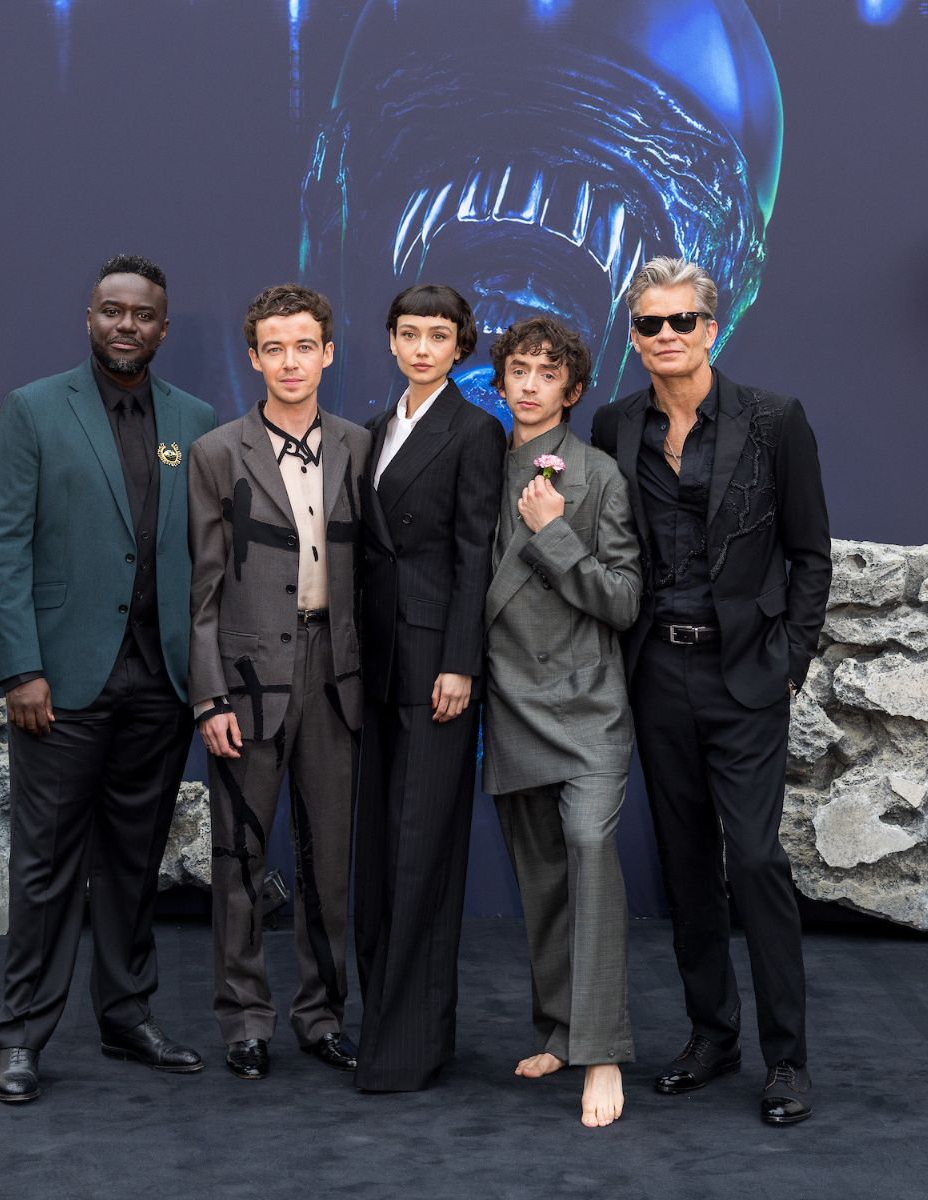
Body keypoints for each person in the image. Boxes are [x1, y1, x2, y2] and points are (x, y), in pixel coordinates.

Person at [590, 256, 832, 1126]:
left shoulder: (774, 419)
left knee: (756, 862)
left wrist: (790, 659)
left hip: (746, 673)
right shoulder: (615, 424)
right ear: (634, 337)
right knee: (685, 863)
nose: (666, 336)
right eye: (649, 324)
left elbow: (810, 553)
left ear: (711, 329)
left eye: (681, 321)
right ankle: (711, 1035)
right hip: (657, 671)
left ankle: (787, 1059)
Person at [0, 253, 218, 1103]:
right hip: (60, 684)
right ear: (89, 318)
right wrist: (21, 668)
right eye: (112, 310)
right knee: (46, 868)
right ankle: (21, 1037)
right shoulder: (34, 409)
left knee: (133, 863)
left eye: (143, 314)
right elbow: (3, 547)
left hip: (160, 685)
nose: (126, 325)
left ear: (163, 328)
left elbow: (206, 558)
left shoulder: (195, 420)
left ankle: (126, 1018)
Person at [187, 284, 369, 1082]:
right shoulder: (217, 452)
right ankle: (245, 1020)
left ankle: (322, 1016)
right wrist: (208, 695)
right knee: (239, 857)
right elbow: (201, 588)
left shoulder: (361, 446)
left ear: (327, 353)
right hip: (247, 675)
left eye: (304, 347)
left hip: (337, 672)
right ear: (254, 358)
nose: (290, 362)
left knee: (330, 860)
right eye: (273, 349)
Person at [480, 316, 642, 1128]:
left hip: (587, 706)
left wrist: (554, 534)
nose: (532, 384)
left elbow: (623, 599)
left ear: (573, 390)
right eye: (520, 369)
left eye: (549, 373)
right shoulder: (477, 464)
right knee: (541, 877)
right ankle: (558, 1029)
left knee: (588, 851)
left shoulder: (599, 475)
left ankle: (601, 1050)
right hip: (509, 699)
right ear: (500, 380)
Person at [352, 283, 504, 1092]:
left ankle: (405, 1047)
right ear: (390, 340)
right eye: (408, 333)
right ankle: (384, 1025)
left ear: (460, 346)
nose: (421, 348)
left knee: (419, 849)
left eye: (437, 336)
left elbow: (476, 552)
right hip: (374, 661)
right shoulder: (377, 427)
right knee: (380, 850)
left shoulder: (475, 430)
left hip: (435, 667)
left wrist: (461, 662)